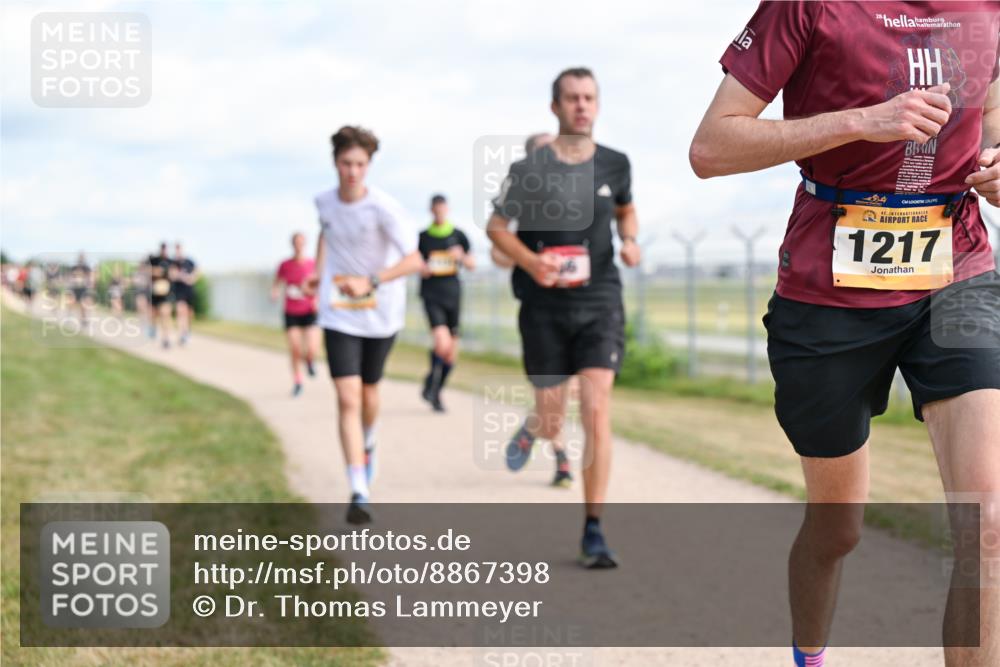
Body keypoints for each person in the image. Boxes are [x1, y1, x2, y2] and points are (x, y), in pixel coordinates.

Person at [690, 3, 1000, 665]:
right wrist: (865, 121)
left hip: (956, 270)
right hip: (827, 293)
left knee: (989, 523)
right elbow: (712, 147)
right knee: (837, 530)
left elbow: (991, 111)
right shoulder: (809, 7)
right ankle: (810, 654)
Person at [487, 67, 641, 567]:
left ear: (597, 105)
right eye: (572, 98)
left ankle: (594, 529)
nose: (581, 106)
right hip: (545, 310)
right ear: (555, 107)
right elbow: (495, 226)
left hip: (600, 303)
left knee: (595, 409)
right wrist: (532, 262)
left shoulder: (616, 164)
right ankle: (536, 427)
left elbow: (625, 210)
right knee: (554, 414)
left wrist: (632, 239)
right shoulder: (530, 169)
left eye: (589, 97)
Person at [304, 125, 422, 525]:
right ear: (334, 162)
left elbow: (414, 260)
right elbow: (327, 233)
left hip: (381, 313)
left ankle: (368, 442)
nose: (352, 171)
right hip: (338, 312)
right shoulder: (323, 202)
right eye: (345, 163)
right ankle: (358, 488)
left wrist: (370, 281)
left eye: (360, 164)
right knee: (348, 397)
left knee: (370, 394)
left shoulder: (384, 208)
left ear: (369, 165)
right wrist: (318, 274)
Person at [418, 193, 474, 412]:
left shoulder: (458, 235)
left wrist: (461, 256)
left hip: (453, 295)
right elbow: (415, 263)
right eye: (435, 209)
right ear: (431, 210)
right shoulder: (422, 237)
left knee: (451, 353)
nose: (439, 212)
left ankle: (434, 390)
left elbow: (472, 264)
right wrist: (422, 268)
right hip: (432, 295)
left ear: (447, 209)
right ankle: (432, 383)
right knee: (441, 343)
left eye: (442, 208)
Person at [272, 232, 320, 396]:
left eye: (301, 242)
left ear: (305, 244)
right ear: (292, 244)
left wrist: (316, 300)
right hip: (291, 311)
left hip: (309, 310)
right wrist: (275, 292)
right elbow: (277, 283)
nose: (299, 245)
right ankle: (298, 381)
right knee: (295, 348)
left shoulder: (313, 264)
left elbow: (319, 285)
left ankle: (310, 361)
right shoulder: (285, 264)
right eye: (296, 242)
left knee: (312, 348)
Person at [148, 243, 175, 348]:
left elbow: (173, 273)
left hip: (166, 293)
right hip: (155, 293)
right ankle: (153, 328)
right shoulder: (154, 259)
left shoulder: (170, 261)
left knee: (165, 315)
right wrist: (158, 272)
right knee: (153, 314)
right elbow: (148, 270)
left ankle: (166, 338)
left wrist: (164, 272)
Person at [171, 243, 199, 346]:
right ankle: (181, 335)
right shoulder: (174, 262)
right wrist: (182, 277)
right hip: (179, 291)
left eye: (179, 249)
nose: (178, 251)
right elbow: (172, 275)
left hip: (189, 291)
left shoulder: (189, 261)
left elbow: (197, 272)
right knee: (180, 311)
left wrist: (192, 278)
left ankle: (187, 331)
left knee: (189, 313)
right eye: (176, 249)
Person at [67, 252, 94, 323]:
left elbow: (90, 277)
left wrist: (90, 284)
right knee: (72, 302)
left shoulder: (86, 268)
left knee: (83, 304)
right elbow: (70, 276)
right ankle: (69, 315)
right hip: (75, 287)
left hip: (83, 288)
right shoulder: (74, 267)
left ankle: (83, 319)